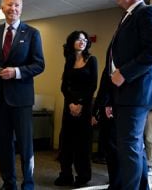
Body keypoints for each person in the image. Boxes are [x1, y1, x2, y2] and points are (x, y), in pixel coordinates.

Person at [94, 0, 152, 189]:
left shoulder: (148, 12)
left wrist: (125, 72)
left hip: (136, 93)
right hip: (124, 94)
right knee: (133, 146)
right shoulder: (126, 17)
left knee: (129, 147)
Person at [0, 0, 45, 190]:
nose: (13, 8)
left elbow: (39, 64)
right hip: (0, 98)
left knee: (25, 145)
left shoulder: (32, 33)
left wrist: (17, 72)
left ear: (21, 8)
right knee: (4, 144)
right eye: (9, 5)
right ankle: (9, 183)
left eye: (17, 5)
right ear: (2, 8)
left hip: (21, 99)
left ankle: (28, 183)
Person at [54, 30, 97, 187]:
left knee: (82, 144)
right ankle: (65, 175)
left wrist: (80, 104)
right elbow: (64, 86)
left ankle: (83, 176)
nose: (82, 41)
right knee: (65, 141)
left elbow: (93, 85)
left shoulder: (92, 60)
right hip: (69, 106)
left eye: (85, 39)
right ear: (72, 42)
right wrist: (71, 103)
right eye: (79, 39)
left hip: (84, 107)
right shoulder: (69, 60)